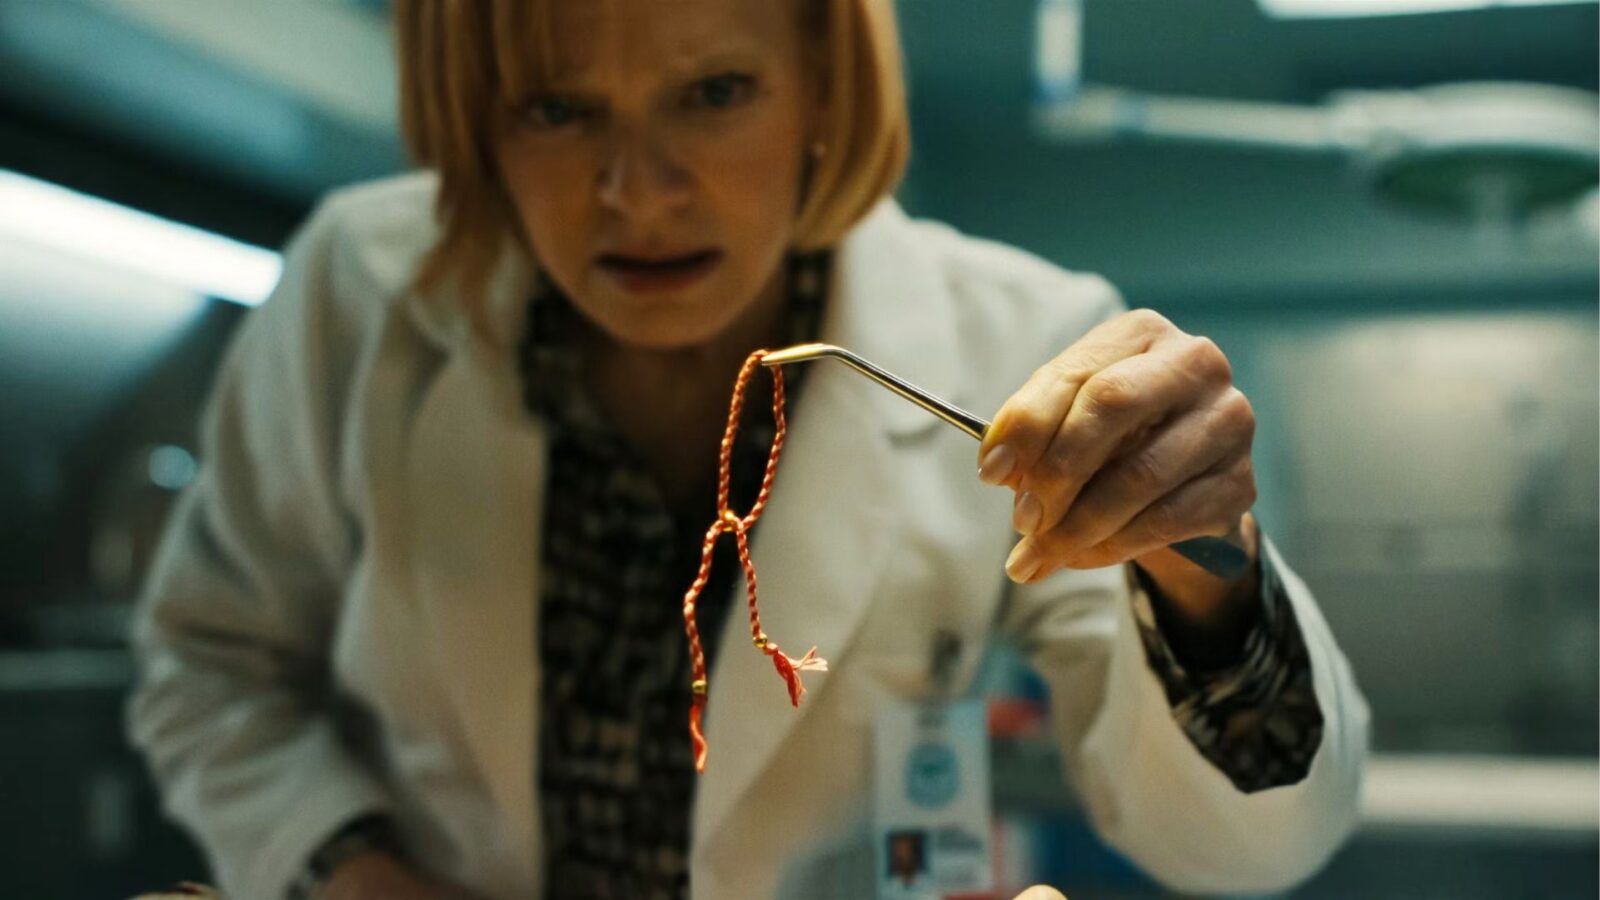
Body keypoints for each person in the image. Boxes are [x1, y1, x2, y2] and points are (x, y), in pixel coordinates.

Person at [125, 0, 1368, 898]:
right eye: (558, 109)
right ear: (476, 121)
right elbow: (210, 666)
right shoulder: (357, 292)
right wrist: (351, 872)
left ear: (823, 83)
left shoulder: (1016, 340)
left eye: (714, 92)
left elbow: (1247, 842)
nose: (638, 192)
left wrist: (1203, 567)